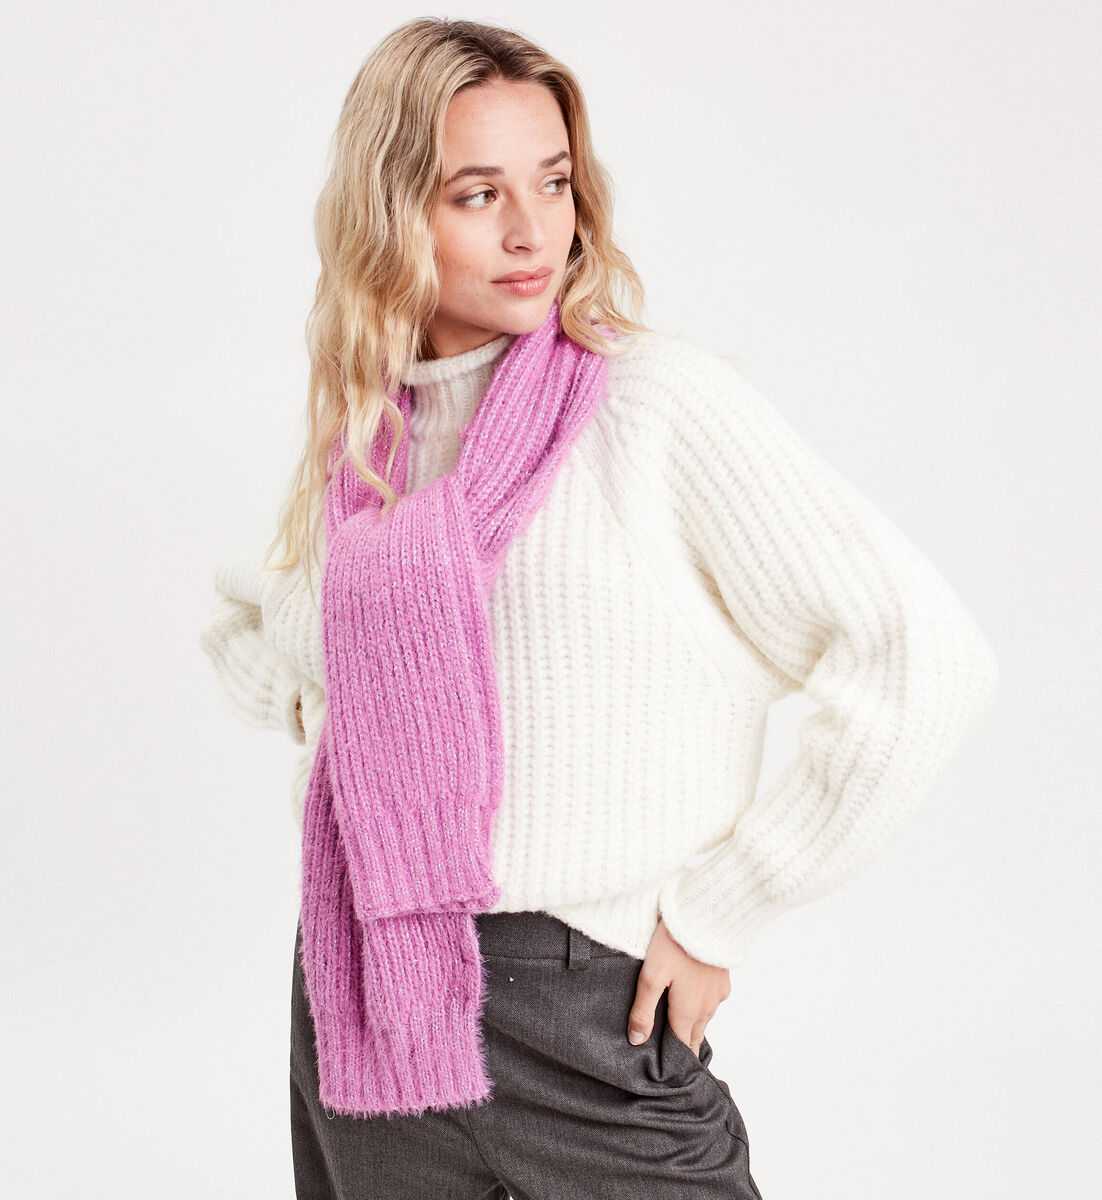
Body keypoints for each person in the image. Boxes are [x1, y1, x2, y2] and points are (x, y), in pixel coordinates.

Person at [198, 17, 999, 1200]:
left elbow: (926, 660)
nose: (534, 231)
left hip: (589, 1010)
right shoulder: (367, 451)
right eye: (478, 194)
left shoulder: (652, 406)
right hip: (368, 1005)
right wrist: (341, 703)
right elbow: (264, 625)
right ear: (389, 212)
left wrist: (723, 909)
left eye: (555, 182)